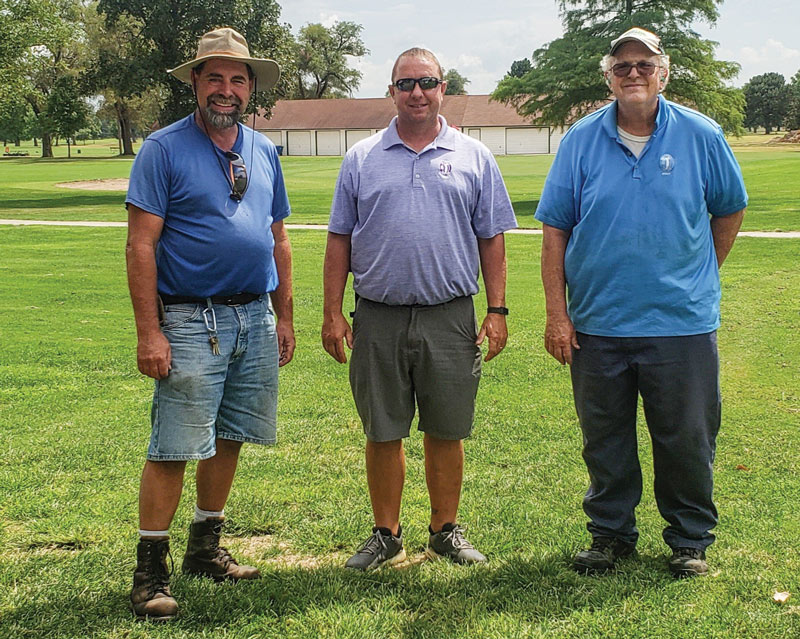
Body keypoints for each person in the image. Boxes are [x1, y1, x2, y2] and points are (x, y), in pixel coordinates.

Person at [536, 27, 747, 578]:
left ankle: (689, 539)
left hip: (682, 324)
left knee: (686, 438)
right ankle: (609, 535)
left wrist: (701, 270)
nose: (634, 73)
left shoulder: (702, 135)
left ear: (664, 71)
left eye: (644, 64)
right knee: (604, 438)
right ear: (607, 76)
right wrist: (558, 315)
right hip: (598, 323)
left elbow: (729, 209)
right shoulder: (580, 140)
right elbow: (555, 230)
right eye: (622, 66)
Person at [322, 47, 518, 571]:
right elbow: (339, 238)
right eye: (405, 83)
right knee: (382, 428)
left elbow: (492, 238)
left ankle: (445, 530)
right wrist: (332, 311)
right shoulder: (361, 158)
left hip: (449, 314)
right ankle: (385, 533)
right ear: (391, 91)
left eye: (426, 82)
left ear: (443, 90)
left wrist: (496, 310)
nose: (416, 92)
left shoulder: (474, 156)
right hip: (378, 314)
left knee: (446, 427)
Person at [124, 27, 294, 620]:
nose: (227, 89)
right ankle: (150, 571)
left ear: (251, 88)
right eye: (215, 76)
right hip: (190, 319)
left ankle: (206, 547)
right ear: (195, 81)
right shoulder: (162, 149)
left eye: (238, 78)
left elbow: (277, 237)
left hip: (254, 315)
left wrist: (284, 315)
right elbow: (141, 245)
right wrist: (151, 330)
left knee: (229, 435)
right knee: (174, 443)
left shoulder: (264, 150)